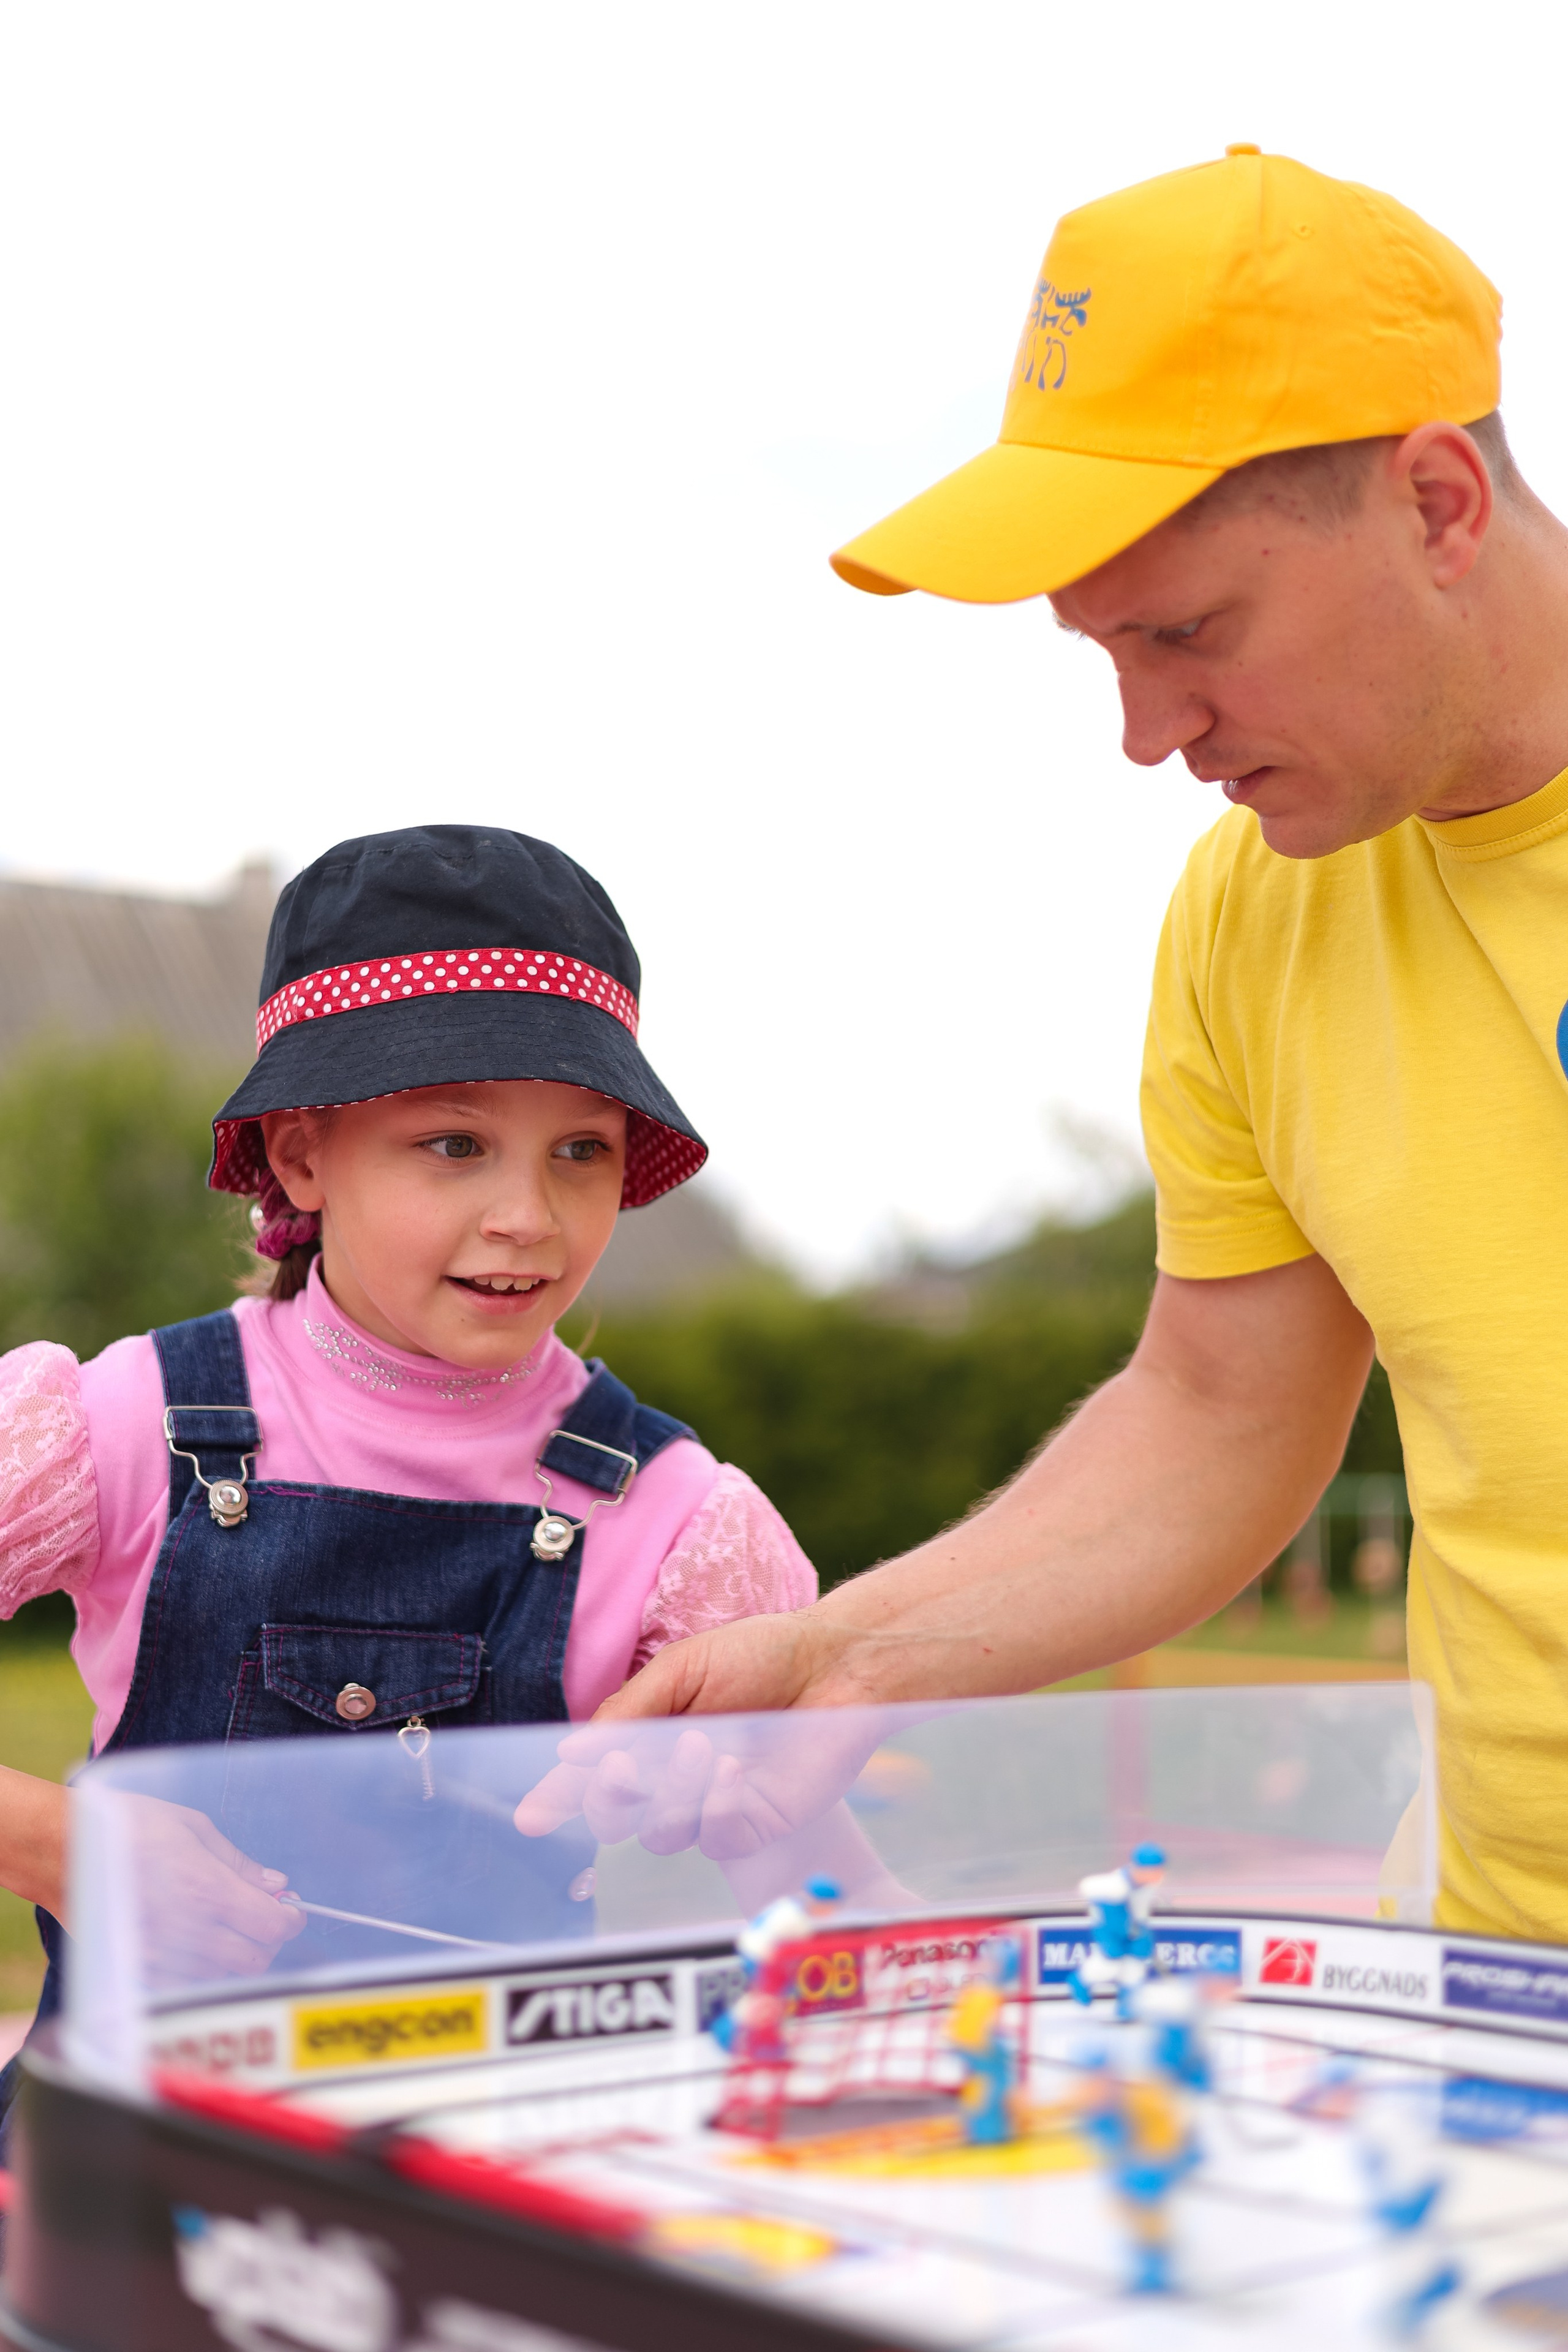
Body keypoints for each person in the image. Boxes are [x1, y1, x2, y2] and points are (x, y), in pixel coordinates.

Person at [594, 148, 1568, 1948]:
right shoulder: (1251, 914)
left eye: (1192, 634)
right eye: (1104, 652)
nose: (1145, 733)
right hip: (1498, 1977)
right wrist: (850, 1653)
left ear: (1439, 502)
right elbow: (1222, 1406)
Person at [0, 823, 820, 2123]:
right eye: (454, 1144)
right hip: (127, 2185)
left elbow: (820, 1899)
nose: (528, 1217)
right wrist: (61, 1844)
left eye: (581, 1149)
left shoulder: (675, 1518)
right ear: (302, 1156)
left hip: (496, 2201)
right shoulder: (115, 1424)